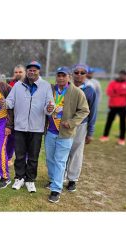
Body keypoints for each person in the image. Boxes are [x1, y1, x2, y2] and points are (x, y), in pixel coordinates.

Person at [5, 60, 55, 193]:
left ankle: (30, 180)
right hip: (20, 127)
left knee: (33, 156)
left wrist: (49, 108)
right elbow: (10, 102)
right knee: (20, 155)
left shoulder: (45, 86)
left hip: (36, 128)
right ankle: (19, 178)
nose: (32, 72)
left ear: (39, 71)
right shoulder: (18, 85)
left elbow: (49, 106)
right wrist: (4, 103)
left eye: (35, 70)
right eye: (30, 70)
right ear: (27, 71)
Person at [45, 67, 90, 203]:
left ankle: (56, 189)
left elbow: (84, 111)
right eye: (58, 75)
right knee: (50, 159)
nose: (60, 78)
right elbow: (44, 105)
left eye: (63, 76)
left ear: (69, 77)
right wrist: (47, 109)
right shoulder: (51, 90)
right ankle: (53, 180)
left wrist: (71, 122)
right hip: (50, 131)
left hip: (66, 133)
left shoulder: (77, 92)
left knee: (60, 161)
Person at [65, 64, 99, 192]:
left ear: (86, 75)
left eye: (82, 73)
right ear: (72, 74)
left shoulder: (90, 90)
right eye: (76, 72)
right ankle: (59, 177)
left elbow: (93, 112)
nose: (79, 75)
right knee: (63, 151)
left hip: (81, 125)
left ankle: (72, 179)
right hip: (65, 124)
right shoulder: (66, 87)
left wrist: (90, 132)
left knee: (76, 152)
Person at [99, 69, 126, 146]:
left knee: (122, 123)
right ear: (120, 75)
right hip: (113, 106)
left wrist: (117, 92)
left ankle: (121, 139)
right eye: (122, 74)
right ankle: (105, 136)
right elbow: (109, 92)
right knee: (109, 122)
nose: (124, 76)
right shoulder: (113, 83)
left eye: (125, 75)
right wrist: (122, 92)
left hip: (122, 107)